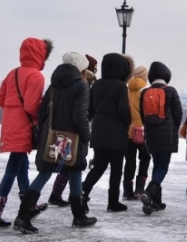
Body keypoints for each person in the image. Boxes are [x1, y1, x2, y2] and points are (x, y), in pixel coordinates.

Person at [11, 52, 97, 234]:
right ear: (80, 67)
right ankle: (78, 216)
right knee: (74, 170)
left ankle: (24, 215)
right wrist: (86, 136)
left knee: (48, 173)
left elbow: (42, 113)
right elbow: (80, 115)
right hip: (72, 138)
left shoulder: (53, 85)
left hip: (52, 137)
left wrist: (47, 133)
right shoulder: (81, 86)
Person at [0, 37, 52, 229]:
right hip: (24, 126)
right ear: (41, 55)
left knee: (21, 166)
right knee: (12, 169)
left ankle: (28, 205)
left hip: (10, 124)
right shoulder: (36, 76)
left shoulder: (12, 73)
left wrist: (13, 108)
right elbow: (32, 105)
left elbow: (0, 100)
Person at [81, 53, 132, 213]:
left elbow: (90, 110)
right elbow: (123, 110)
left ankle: (82, 192)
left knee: (99, 167)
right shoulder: (120, 86)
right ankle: (112, 202)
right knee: (116, 169)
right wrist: (128, 120)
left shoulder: (97, 84)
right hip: (116, 135)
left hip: (98, 133)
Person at [48, 54, 97, 207]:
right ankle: (71, 198)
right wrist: (86, 133)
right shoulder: (85, 82)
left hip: (62, 127)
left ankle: (66, 195)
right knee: (71, 162)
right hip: (75, 129)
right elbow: (83, 109)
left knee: (67, 162)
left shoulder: (61, 81)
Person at [139, 61, 182, 215]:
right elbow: (178, 114)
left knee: (157, 165)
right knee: (162, 167)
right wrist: (174, 128)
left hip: (151, 135)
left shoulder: (144, 92)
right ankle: (150, 193)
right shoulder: (171, 91)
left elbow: (142, 114)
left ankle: (156, 201)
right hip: (167, 135)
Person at [124, 65, 151, 200]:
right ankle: (139, 189)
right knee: (145, 159)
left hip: (128, 131)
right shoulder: (145, 91)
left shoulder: (127, 90)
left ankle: (127, 191)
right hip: (143, 131)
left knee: (129, 161)